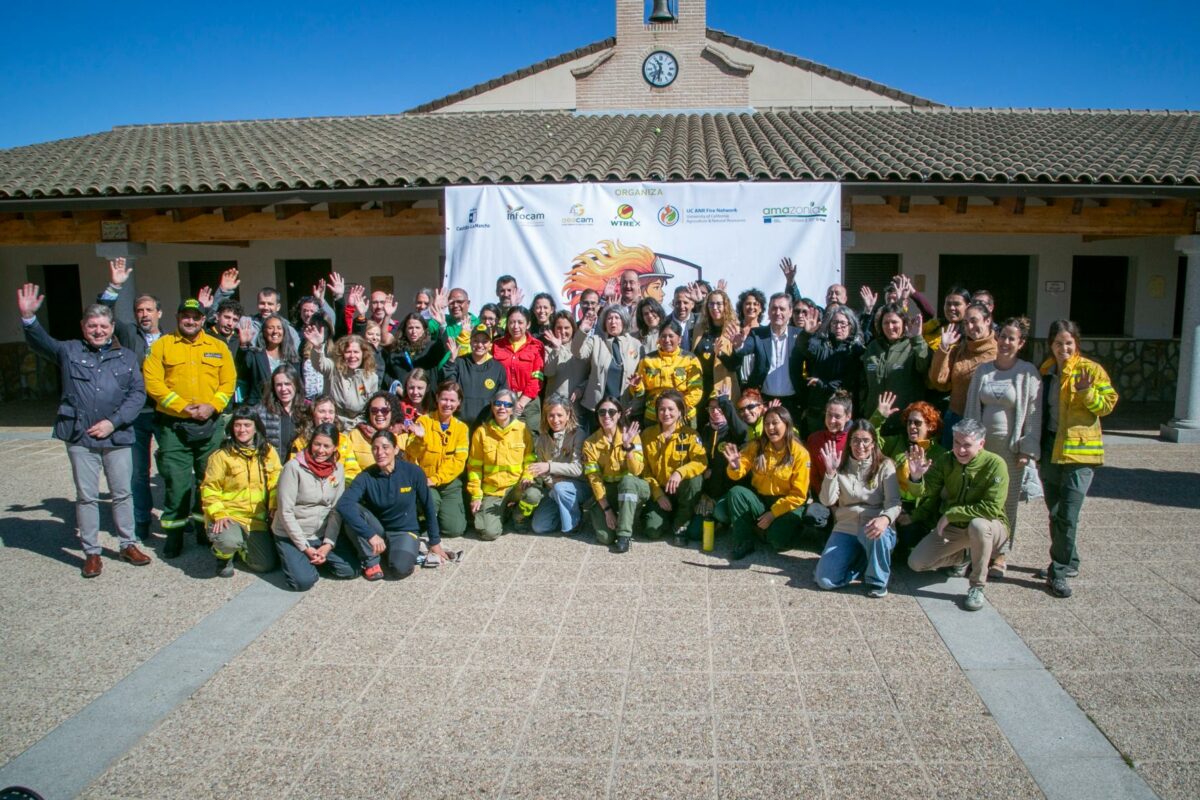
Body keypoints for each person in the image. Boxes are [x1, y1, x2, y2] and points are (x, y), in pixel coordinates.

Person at [19, 284, 152, 577]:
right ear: (83, 327)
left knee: (122, 493)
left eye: (104, 325)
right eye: (92, 325)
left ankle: (127, 543)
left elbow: (136, 396)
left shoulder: (127, 357)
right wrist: (29, 318)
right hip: (81, 435)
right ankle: (92, 552)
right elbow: (42, 343)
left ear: (112, 327)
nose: (98, 330)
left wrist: (113, 422)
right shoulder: (68, 351)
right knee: (87, 496)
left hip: (116, 436)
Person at [142, 298, 237, 557]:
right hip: (174, 426)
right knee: (177, 482)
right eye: (186, 316)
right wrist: (182, 407)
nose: (191, 321)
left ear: (204, 320)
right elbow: (152, 382)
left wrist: (213, 406)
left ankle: (202, 529)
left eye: (196, 317)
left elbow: (228, 382)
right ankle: (174, 535)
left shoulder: (218, 347)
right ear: (177, 316)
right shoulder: (162, 346)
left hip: (210, 424)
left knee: (208, 479)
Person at [1037, 319, 1118, 598]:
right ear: (1051, 345)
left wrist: (1086, 392)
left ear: (1077, 343)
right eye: (1059, 343)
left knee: (1068, 516)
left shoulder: (1091, 370)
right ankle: (1070, 560)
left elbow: (1107, 406)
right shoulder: (1046, 371)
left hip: (1080, 454)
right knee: (1055, 512)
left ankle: (1057, 571)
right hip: (1050, 450)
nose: (1064, 348)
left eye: (1069, 342)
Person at [964, 316, 1042, 578]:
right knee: (981, 499)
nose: (1006, 342)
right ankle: (978, 553)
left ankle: (1000, 554)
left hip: (1011, 450)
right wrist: (969, 444)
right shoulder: (984, 371)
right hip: (984, 449)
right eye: (1003, 336)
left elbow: (1033, 414)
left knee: (1007, 503)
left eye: (1012, 338)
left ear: (1021, 343)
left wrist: (1027, 450)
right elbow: (972, 410)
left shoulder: (1027, 372)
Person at [906, 418, 1009, 612]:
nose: (960, 450)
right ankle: (964, 556)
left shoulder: (996, 464)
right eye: (956, 443)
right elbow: (925, 492)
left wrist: (952, 514)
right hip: (956, 527)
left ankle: (977, 586)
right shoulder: (946, 460)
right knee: (916, 563)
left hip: (990, 525)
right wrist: (916, 478)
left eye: (967, 445)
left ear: (981, 444)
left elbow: (991, 509)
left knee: (978, 526)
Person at [95, 257, 163, 540]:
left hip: (164, 414)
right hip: (135, 415)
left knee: (170, 469)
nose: (144, 314)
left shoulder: (171, 340)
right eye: (139, 310)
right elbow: (104, 311)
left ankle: (176, 522)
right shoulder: (128, 333)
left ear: (159, 312)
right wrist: (114, 286)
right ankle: (141, 521)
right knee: (138, 474)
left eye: (149, 310)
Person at [338, 430, 450, 580]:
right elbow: (344, 505)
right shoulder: (366, 476)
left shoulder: (413, 472)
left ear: (396, 449)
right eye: (375, 448)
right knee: (352, 510)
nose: (380, 452)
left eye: (385, 447)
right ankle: (372, 560)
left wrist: (435, 542)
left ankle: (395, 550)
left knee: (400, 569)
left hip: (404, 530)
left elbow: (428, 506)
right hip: (378, 530)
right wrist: (370, 534)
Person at [814, 419, 901, 598]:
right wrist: (830, 474)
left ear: (873, 443)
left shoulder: (885, 466)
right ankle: (861, 561)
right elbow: (826, 500)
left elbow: (894, 502)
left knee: (878, 533)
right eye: (855, 440)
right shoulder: (841, 465)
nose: (860, 445)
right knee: (824, 580)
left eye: (865, 440)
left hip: (874, 527)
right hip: (846, 527)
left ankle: (877, 581)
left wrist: (884, 520)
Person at [272, 423, 356, 591]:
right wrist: (305, 547)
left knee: (350, 570)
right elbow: (285, 512)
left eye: (327, 446)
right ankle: (299, 558)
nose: (321, 450)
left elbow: (335, 510)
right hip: (292, 533)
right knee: (303, 582)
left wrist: (328, 544)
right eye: (317, 444)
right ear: (310, 444)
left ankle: (314, 559)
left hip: (320, 533)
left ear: (335, 448)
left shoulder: (337, 469)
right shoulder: (293, 468)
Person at [201, 407, 283, 577]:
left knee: (265, 566)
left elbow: (276, 481)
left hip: (255, 519)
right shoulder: (221, 456)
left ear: (256, 427)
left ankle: (242, 550)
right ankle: (224, 556)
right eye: (238, 425)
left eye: (247, 425)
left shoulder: (268, 451)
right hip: (229, 516)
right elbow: (209, 488)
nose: (242, 430)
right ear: (232, 428)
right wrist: (218, 513)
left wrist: (274, 506)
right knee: (228, 541)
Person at [723, 406, 812, 560]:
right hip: (763, 500)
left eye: (775, 423)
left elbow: (798, 495)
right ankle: (744, 541)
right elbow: (738, 472)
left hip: (788, 505)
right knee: (736, 492)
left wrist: (773, 514)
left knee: (777, 540)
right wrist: (735, 466)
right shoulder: (757, 446)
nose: (770, 428)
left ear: (787, 424)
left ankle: (784, 530)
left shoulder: (800, 453)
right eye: (767, 424)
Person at [870, 393, 946, 554]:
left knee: (910, 537)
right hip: (891, 502)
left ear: (930, 426)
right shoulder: (897, 442)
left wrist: (914, 516)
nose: (911, 426)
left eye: (917, 423)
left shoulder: (940, 454)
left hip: (916, 511)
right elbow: (869, 441)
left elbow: (933, 495)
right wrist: (878, 417)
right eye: (909, 422)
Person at [640, 391, 707, 545]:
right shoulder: (647, 435)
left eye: (671, 409)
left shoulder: (690, 435)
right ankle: (665, 516)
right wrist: (658, 494)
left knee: (695, 479)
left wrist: (679, 472)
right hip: (660, 490)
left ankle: (681, 524)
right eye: (662, 409)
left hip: (681, 489)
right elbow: (644, 470)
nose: (666, 413)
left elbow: (701, 461)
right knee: (652, 531)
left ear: (680, 412)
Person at [406, 381, 470, 540]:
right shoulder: (423, 422)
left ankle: (435, 518)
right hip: (425, 480)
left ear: (458, 403)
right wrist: (420, 439)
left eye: (452, 400)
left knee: (454, 530)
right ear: (437, 399)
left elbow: (458, 461)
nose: (447, 404)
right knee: (431, 500)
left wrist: (436, 479)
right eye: (444, 399)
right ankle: (424, 522)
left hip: (448, 484)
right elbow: (410, 454)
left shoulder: (462, 429)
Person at [467, 390, 535, 540]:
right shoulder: (481, 432)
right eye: (498, 403)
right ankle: (504, 513)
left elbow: (530, 458)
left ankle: (518, 517)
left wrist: (528, 476)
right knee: (488, 533)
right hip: (493, 491)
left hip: (517, 487)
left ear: (513, 408)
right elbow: (474, 468)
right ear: (492, 406)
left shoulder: (523, 429)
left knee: (533, 495)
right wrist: (476, 495)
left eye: (507, 404)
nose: (502, 408)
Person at [582, 396, 648, 552]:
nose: (606, 416)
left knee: (627, 481)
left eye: (612, 412)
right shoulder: (590, 443)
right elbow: (594, 479)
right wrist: (607, 510)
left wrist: (627, 447)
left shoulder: (633, 436)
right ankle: (602, 511)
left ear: (619, 414)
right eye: (602, 412)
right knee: (605, 538)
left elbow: (636, 470)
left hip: (634, 487)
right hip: (608, 491)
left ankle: (624, 535)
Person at [517, 395, 588, 535]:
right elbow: (541, 471)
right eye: (551, 415)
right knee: (539, 527)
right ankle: (564, 511)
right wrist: (552, 481)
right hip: (554, 488)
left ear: (568, 415)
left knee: (562, 489)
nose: (555, 420)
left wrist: (550, 466)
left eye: (560, 415)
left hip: (579, 487)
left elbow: (578, 469)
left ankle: (573, 524)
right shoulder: (543, 438)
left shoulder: (578, 434)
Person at [930, 301, 997, 447]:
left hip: (984, 422)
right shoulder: (960, 349)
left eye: (974, 321)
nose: (970, 327)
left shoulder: (997, 354)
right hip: (955, 418)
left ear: (987, 320)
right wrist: (944, 347)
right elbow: (939, 381)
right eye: (966, 323)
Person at [862, 302, 931, 436]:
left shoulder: (912, 345)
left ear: (903, 323)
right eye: (885, 323)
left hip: (903, 422)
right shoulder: (872, 347)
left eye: (894, 322)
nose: (890, 327)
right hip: (874, 419)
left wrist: (917, 339)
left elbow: (924, 367)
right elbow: (863, 382)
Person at [799, 303, 865, 438]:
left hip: (842, 412)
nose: (838, 327)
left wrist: (822, 384)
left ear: (850, 326)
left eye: (842, 323)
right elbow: (805, 348)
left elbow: (848, 380)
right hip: (818, 411)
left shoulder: (856, 350)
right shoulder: (822, 344)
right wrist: (806, 334)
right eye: (834, 323)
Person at [733, 292, 805, 413]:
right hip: (764, 400)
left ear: (790, 312)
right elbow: (745, 349)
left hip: (793, 401)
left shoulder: (799, 335)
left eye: (782, 309)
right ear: (768, 311)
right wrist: (739, 345)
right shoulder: (758, 334)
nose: (777, 313)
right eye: (774, 308)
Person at [578, 306, 643, 427]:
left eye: (617, 318)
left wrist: (635, 403)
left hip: (624, 406)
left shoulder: (636, 344)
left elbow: (642, 378)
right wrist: (583, 330)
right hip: (598, 407)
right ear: (604, 323)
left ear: (623, 321)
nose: (613, 321)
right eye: (609, 318)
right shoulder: (596, 341)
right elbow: (578, 352)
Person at [632, 319, 703, 426]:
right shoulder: (647, 360)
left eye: (671, 336)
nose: (667, 340)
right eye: (663, 336)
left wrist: (679, 408)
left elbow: (696, 391)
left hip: (683, 416)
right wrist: (636, 387)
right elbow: (640, 394)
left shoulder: (690, 359)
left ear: (679, 339)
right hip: (653, 417)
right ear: (659, 339)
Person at [304, 328, 379, 429]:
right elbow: (319, 364)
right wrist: (317, 347)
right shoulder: (333, 368)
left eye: (356, 352)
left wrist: (355, 427)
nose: (352, 356)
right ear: (342, 354)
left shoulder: (372, 378)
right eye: (348, 352)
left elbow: (369, 409)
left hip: (356, 428)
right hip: (331, 424)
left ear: (363, 354)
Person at [492, 306, 546, 434]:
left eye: (520, 322)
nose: (515, 326)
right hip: (502, 402)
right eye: (511, 322)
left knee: (530, 439)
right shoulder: (497, 345)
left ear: (528, 324)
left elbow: (537, 377)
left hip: (528, 402)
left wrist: (521, 403)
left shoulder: (537, 346)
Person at [445, 325, 507, 428]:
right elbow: (448, 386)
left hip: (486, 427)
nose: (479, 345)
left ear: (490, 344)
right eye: (476, 340)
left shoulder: (498, 368)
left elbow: (503, 397)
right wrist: (451, 360)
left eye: (484, 341)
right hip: (459, 425)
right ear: (470, 342)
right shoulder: (459, 362)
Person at [290, 395, 360, 480]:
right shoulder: (300, 442)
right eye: (322, 411)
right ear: (313, 414)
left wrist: (342, 488)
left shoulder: (343, 441)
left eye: (331, 412)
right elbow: (292, 472)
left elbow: (352, 471)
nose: (327, 416)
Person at [237, 313, 301, 406]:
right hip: (260, 408)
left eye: (279, 328)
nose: (275, 331)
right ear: (264, 332)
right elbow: (240, 371)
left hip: (286, 408)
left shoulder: (292, 358)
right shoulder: (255, 355)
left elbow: (298, 386)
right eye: (271, 328)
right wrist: (243, 345)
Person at [692, 288, 739, 405]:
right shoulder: (699, 328)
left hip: (722, 386)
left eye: (719, 304)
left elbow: (736, 365)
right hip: (699, 386)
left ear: (726, 306)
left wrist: (720, 354)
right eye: (711, 304)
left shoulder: (733, 329)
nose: (714, 307)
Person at [541, 312, 589, 425]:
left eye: (566, 328)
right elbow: (548, 372)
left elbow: (592, 375)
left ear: (573, 328)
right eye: (559, 328)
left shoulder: (583, 348)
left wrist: (581, 388)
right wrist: (556, 349)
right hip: (554, 413)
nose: (563, 332)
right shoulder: (547, 349)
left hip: (577, 410)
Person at [254, 364, 306, 461]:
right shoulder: (261, 412)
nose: (283, 389)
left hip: (297, 469)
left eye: (287, 384)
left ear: (296, 384)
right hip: (271, 469)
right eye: (278, 385)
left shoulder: (305, 412)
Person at [385, 312, 448, 389]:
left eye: (417, 328)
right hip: (403, 397)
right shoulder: (396, 351)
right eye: (410, 328)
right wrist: (397, 388)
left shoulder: (431, 347)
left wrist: (442, 326)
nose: (413, 331)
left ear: (424, 330)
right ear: (405, 330)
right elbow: (387, 376)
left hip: (427, 397)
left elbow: (443, 348)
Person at [347, 391, 404, 473]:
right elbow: (350, 468)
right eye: (374, 410)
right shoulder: (355, 435)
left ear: (393, 412)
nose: (379, 414)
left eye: (385, 410)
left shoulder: (403, 435)